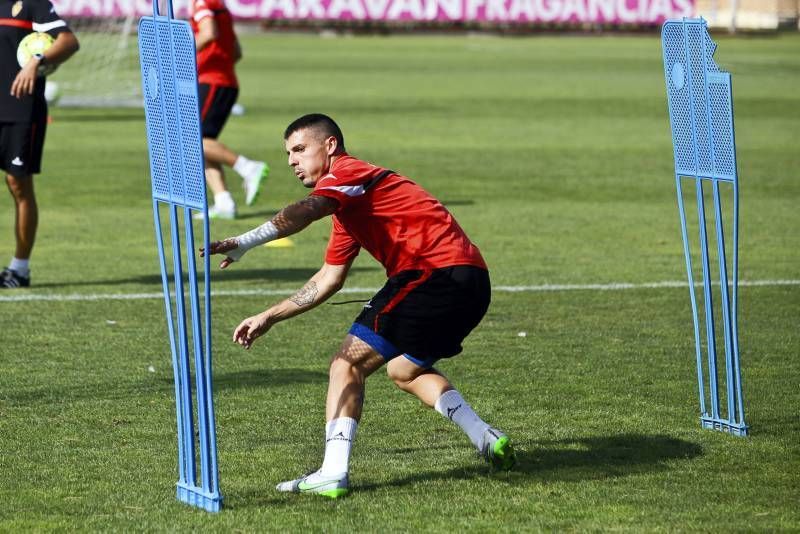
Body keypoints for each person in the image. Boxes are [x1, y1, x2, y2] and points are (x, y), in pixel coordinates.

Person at [203, 114, 516, 498]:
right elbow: (329, 279)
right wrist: (270, 316)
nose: (291, 161)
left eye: (299, 149)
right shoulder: (346, 207)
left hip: (432, 275)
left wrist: (246, 241)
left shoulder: (348, 174)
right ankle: (486, 437)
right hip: (472, 284)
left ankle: (333, 472)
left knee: (346, 364)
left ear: (330, 145)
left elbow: (305, 211)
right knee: (405, 371)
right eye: (288, 154)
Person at [1, 0, 79, 289]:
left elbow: (69, 41)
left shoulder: (32, 4)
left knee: (18, 184)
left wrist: (37, 61)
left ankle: (19, 270)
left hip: (21, 110)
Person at [190, 0, 268, 220]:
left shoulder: (203, 2)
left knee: (192, 141)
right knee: (204, 144)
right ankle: (223, 201)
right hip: (224, 82)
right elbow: (236, 51)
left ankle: (248, 167)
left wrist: (178, 54)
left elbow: (209, 33)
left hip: (212, 82)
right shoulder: (219, 5)